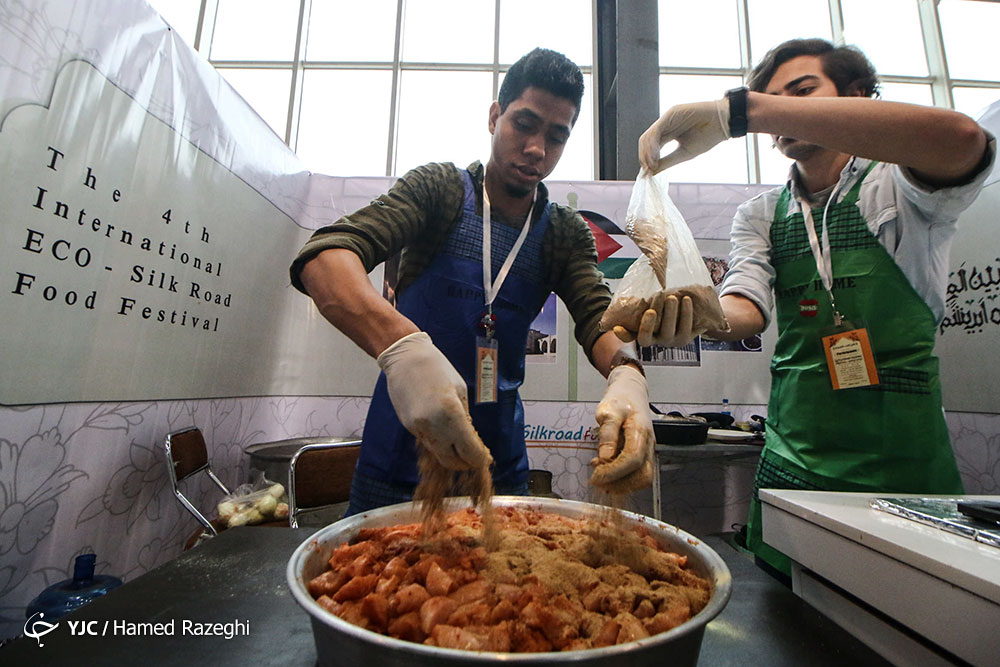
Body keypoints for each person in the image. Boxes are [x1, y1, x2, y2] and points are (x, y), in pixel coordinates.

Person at [633, 38, 995, 578]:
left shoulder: (901, 188)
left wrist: (741, 110)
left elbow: (964, 139)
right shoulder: (762, 214)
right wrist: (702, 317)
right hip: (793, 458)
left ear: (854, 98)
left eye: (802, 94)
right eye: (775, 99)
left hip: (901, 459)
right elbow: (746, 306)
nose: (787, 112)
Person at [290, 48, 654, 515]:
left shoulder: (563, 232)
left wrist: (628, 373)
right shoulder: (439, 191)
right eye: (524, 124)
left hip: (498, 469)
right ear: (494, 116)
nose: (537, 149)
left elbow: (599, 319)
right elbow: (325, 258)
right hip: (398, 465)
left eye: (556, 137)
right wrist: (403, 349)